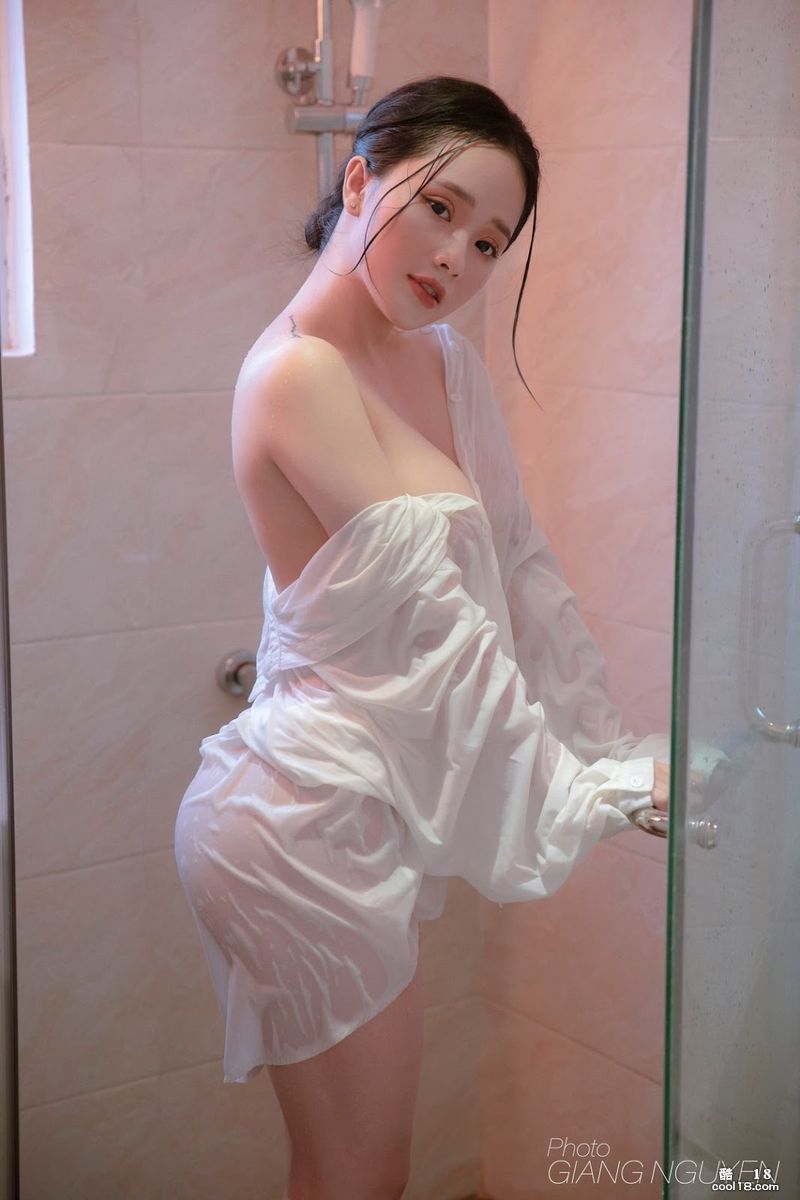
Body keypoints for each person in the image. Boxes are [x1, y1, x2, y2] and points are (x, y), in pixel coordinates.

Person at [174, 75, 674, 1200]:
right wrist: (584, 792)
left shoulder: (442, 359)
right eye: (439, 208)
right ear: (359, 180)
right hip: (295, 822)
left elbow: (517, 567)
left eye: (488, 242)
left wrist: (604, 746)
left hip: (364, 807)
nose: (456, 257)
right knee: (359, 1177)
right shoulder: (295, 373)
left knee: (358, 1174)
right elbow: (433, 632)